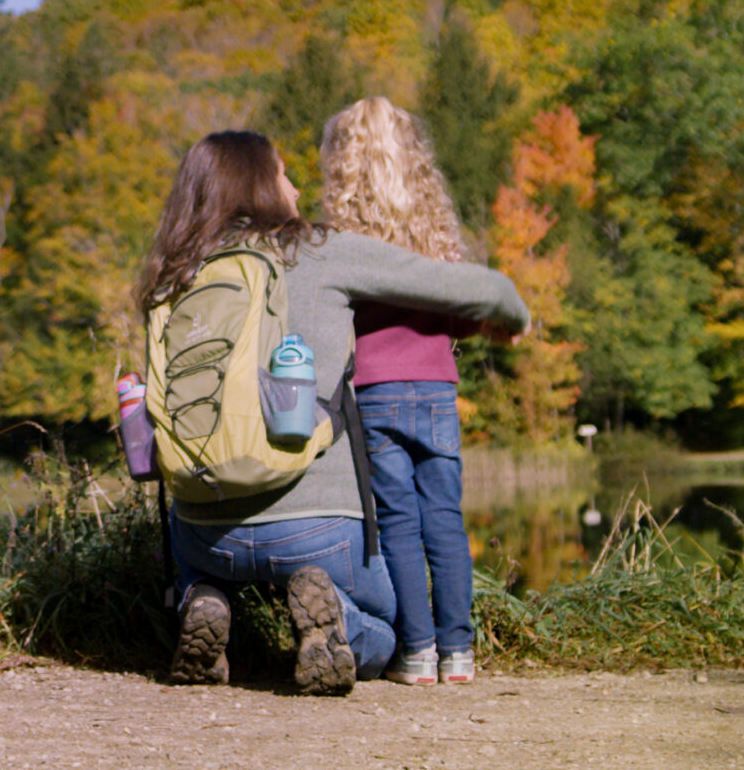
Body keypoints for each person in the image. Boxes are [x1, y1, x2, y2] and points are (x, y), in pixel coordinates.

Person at [141, 131, 526, 693]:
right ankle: (340, 620)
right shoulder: (321, 248)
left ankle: (204, 597)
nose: (297, 187)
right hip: (318, 526)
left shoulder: (175, 272)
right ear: (261, 186)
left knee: (202, 563)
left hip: (204, 525)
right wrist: (514, 312)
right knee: (393, 634)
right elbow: (459, 286)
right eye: (283, 174)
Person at [317, 97, 508, 684]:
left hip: (374, 387)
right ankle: (460, 653)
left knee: (397, 520)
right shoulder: (434, 227)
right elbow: (462, 307)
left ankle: (417, 652)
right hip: (436, 386)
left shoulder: (341, 233)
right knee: (445, 520)